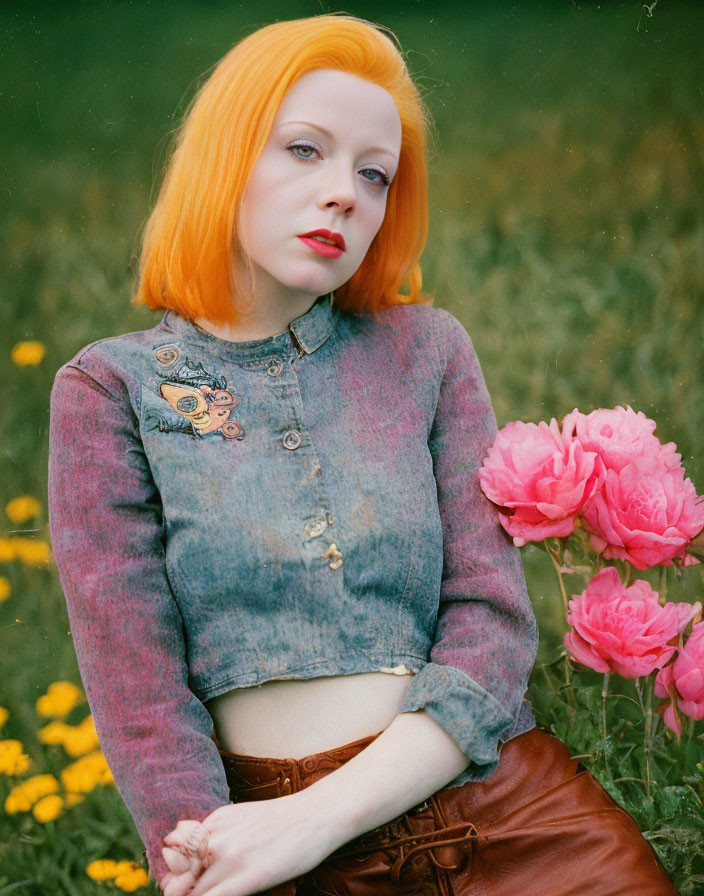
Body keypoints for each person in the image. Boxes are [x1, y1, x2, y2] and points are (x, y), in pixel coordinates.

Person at [47, 14, 677, 896]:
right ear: (224, 156)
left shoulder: (426, 352)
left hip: (508, 815)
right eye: (305, 150)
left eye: (373, 174)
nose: (345, 192)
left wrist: (317, 819)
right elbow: (140, 694)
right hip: (271, 852)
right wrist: (205, 858)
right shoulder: (110, 390)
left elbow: (492, 628)